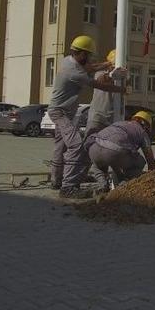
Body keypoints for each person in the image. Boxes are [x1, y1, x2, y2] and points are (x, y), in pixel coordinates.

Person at [49, 36, 125, 199]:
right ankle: (68, 186)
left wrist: (107, 65)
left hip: (63, 111)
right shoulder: (75, 73)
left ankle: (56, 180)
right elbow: (98, 83)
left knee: (60, 146)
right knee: (77, 145)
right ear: (82, 54)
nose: (90, 59)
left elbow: (89, 67)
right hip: (61, 113)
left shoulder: (68, 61)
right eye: (89, 55)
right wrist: (122, 89)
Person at [87, 111, 155, 193]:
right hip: (114, 151)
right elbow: (150, 159)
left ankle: (103, 187)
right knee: (140, 161)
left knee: (98, 166)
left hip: (94, 148)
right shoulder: (142, 132)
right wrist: (153, 177)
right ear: (146, 125)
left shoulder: (119, 123)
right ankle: (125, 185)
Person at [84, 50, 118, 139]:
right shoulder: (100, 73)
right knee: (88, 141)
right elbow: (101, 79)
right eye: (113, 65)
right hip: (97, 116)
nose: (114, 67)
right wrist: (111, 75)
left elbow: (127, 90)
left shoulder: (122, 78)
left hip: (112, 118)